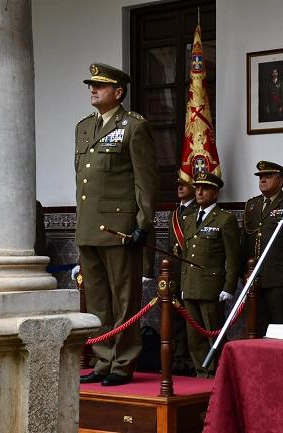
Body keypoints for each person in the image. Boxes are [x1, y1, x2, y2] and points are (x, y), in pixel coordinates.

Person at [76, 63, 158, 386]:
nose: (93, 89)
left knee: (124, 300)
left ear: (118, 92)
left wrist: (143, 222)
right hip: (89, 228)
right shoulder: (84, 127)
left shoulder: (134, 127)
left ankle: (122, 364)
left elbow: (146, 181)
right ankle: (102, 359)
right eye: (91, 85)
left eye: (100, 85)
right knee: (97, 300)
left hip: (120, 230)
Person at [181, 171, 239, 377]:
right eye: (197, 188)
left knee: (213, 332)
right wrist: (182, 284)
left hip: (212, 286)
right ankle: (201, 372)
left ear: (215, 193)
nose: (199, 192)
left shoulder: (225, 219)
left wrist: (229, 287)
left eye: (204, 188)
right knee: (193, 335)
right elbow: (185, 255)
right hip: (190, 285)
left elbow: (233, 257)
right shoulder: (188, 219)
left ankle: (220, 372)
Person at [242, 161, 283, 335]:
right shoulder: (252, 205)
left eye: (268, 176)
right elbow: (245, 241)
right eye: (260, 177)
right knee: (258, 329)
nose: (262, 180)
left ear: (281, 181)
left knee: (282, 330)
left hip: (280, 280)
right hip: (254, 279)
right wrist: (243, 272)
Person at [168, 177, 198, 374]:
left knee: (193, 318)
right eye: (177, 183)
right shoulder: (175, 213)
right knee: (176, 317)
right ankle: (179, 357)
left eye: (184, 184)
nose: (180, 187)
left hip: (192, 272)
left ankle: (195, 360)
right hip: (176, 271)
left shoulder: (198, 211)